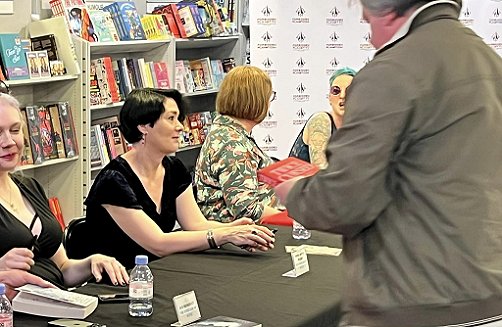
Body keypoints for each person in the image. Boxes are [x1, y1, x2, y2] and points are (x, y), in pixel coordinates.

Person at [275, 1, 502, 326]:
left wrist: (294, 191)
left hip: (415, 301)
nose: (368, 30)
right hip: (485, 293)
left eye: (368, 16)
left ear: (389, 8)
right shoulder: (490, 62)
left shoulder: (392, 71)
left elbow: (342, 203)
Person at [84, 88, 275, 269]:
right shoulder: (113, 181)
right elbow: (157, 243)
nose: (180, 127)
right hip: (118, 283)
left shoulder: (174, 169)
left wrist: (233, 229)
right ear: (143, 126)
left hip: (160, 270)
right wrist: (225, 235)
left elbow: (195, 224)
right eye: (171, 118)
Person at [0, 93, 129, 289]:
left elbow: (63, 268)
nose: (9, 141)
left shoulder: (29, 187)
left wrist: (91, 262)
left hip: (57, 302)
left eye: (15, 130)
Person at [194, 66, 281, 223]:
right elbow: (246, 209)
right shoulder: (233, 144)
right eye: (269, 97)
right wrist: (294, 218)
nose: (269, 104)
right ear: (256, 101)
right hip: (238, 238)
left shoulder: (227, 133)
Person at [289, 67, 356, 168]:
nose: (342, 95)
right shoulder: (321, 121)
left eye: (349, 90)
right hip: (301, 183)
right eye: (336, 91)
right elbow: (320, 171)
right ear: (329, 97)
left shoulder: (357, 128)